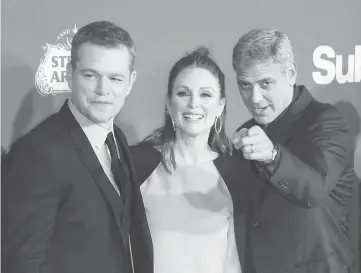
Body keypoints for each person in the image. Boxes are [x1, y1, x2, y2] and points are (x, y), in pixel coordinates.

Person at [1, 21, 152, 273]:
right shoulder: (37, 153)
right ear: (70, 74)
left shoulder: (118, 139)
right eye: (91, 75)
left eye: (115, 78)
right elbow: (21, 263)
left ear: (130, 82)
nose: (103, 90)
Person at [232, 28, 356, 273]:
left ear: (290, 74)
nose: (254, 98)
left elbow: (315, 190)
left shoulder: (327, 121)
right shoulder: (246, 131)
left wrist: (272, 156)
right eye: (245, 85)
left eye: (265, 83)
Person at [130, 47, 255, 273]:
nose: (193, 104)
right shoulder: (137, 164)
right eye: (183, 93)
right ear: (169, 103)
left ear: (220, 106)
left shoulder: (237, 171)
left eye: (205, 94)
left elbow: (235, 262)